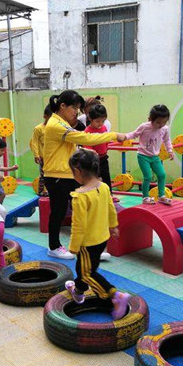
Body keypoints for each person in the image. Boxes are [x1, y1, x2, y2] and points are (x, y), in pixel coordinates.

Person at [43, 90, 126, 260]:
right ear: (63, 106)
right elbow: (84, 138)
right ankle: (54, 246)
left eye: (78, 108)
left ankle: (91, 247)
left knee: (87, 207)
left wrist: (83, 150)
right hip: (57, 175)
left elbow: (70, 145)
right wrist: (113, 135)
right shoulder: (54, 124)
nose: (76, 112)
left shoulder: (63, 123)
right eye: (74, 108)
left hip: (70, 174)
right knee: (58, 212)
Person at [64, 149, 130, 320]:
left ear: (77, 172)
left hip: (87, 243)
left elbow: (78, 225)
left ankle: (114, 295)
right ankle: (78, 292)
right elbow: (110, 208)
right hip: (102, 238)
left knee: (87, 273)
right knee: (84, 268)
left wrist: (73, 247)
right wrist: (113, 226)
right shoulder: (104, 187)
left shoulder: (80, 196)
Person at [126, 104, 174, 205]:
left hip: (155, 157)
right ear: (150, 119)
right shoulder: (145, 126)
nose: (161, 125)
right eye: (158, 122)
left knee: (162, 174)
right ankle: (145, 197)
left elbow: (167, 140)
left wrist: (170, 151)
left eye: (164, 122)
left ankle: (161, 196)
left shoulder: (164, 129)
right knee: (147, 176)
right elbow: (134, 134)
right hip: (143, 156)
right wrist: (124, 137)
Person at [84, 104, 118, 202]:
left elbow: (106, 140)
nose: (100, 124)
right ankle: (96, 196)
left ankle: (109, 195)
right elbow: (87, 146)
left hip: (103, 157)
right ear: (90, 119)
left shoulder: (103, 128)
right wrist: (94, 153)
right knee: (95, 178)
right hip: (93, 160)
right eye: (97, 121)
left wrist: (106, 147)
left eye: (103, 121)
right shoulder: (88, 131)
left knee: (106, 176)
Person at [30, 105, 52, 196]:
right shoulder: (38, 128)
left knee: (51, 175)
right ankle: (40, 192)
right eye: (50, 118)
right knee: (43, 175)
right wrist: (36, 155)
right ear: (45, 116)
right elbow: (34, 142)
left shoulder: (54, 128)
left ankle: (50, 191)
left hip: (53, 156)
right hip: (43, 156)